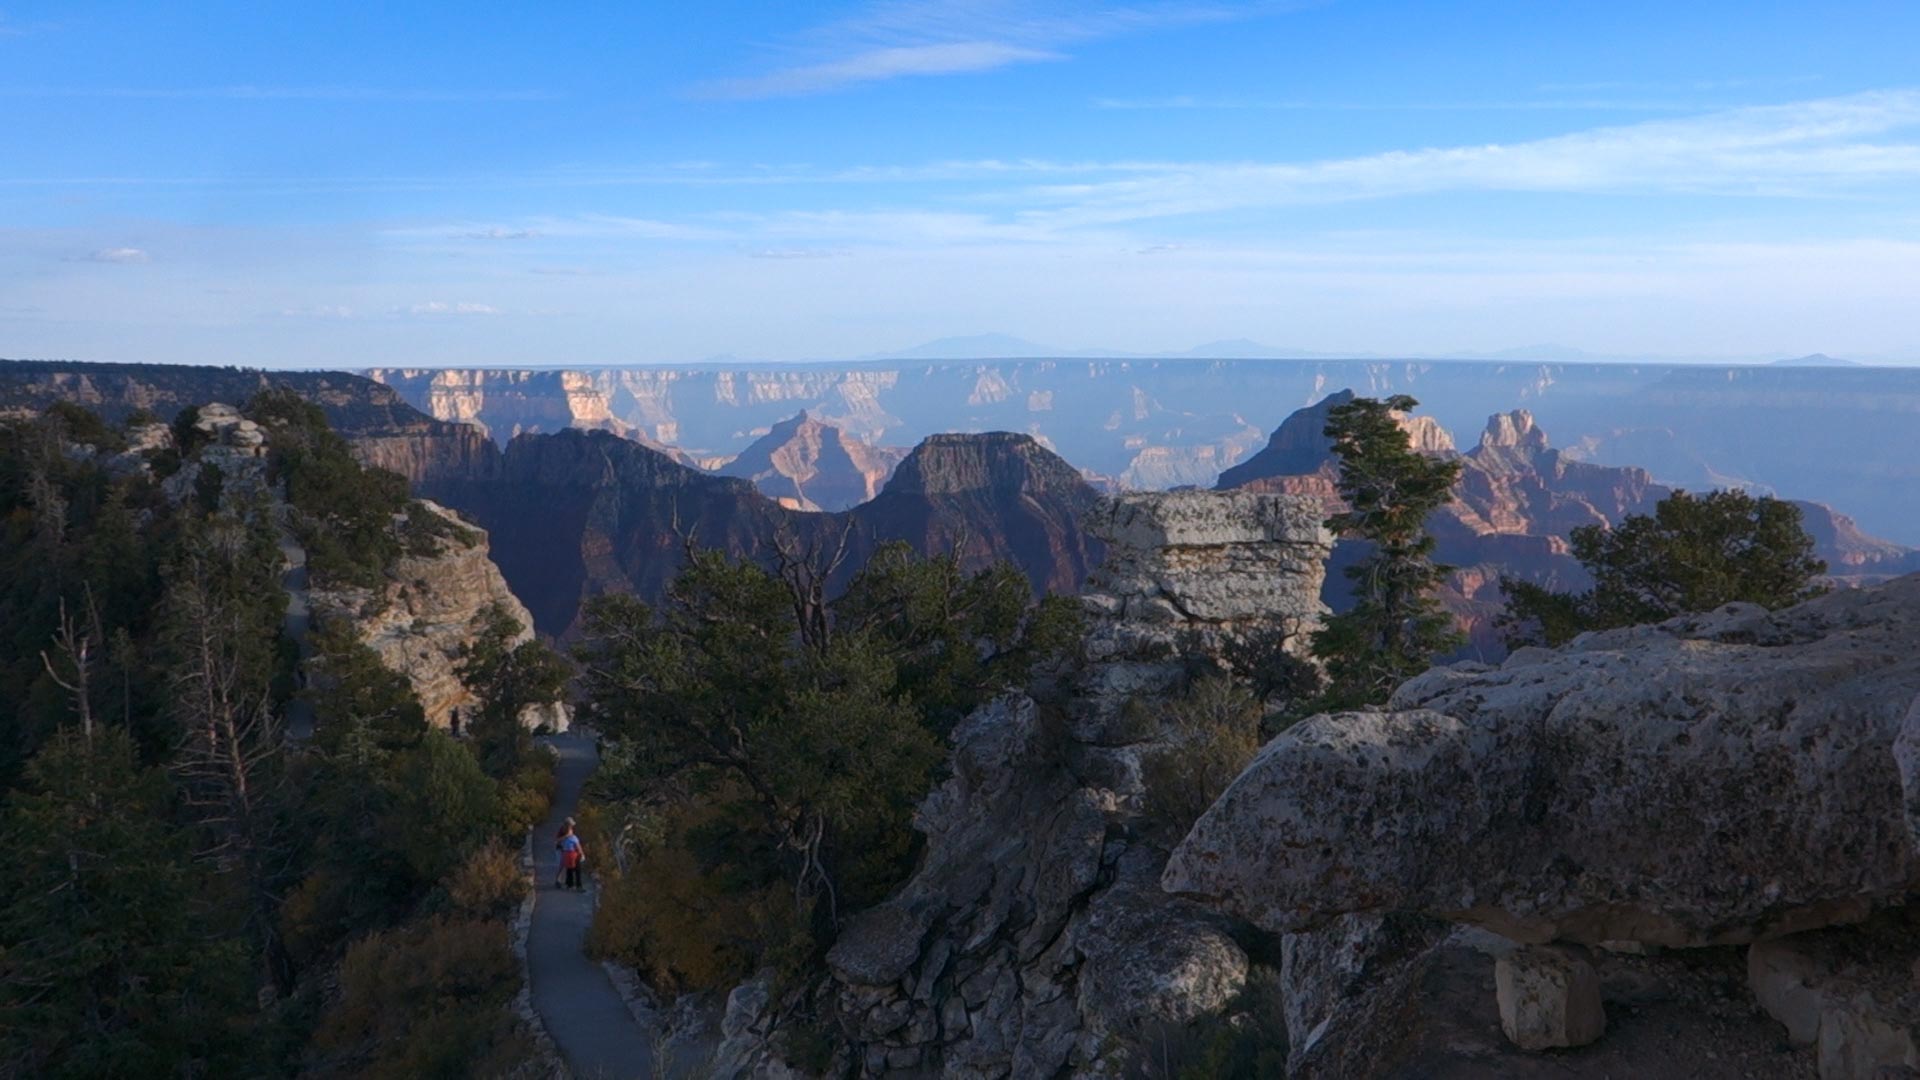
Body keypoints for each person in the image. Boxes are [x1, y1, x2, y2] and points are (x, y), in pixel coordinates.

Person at [559, 825, 586, 892]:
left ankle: (569, 885)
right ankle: (578, 886)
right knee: (577, 870)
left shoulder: (563, 839)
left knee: (569, 870)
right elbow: (578, 846)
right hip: (573, 854)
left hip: (566, 854)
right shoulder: (573, 838)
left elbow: (560, 844)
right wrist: (582, 854)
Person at [553, 818, 575, 889]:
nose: (571, 826)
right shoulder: (562, 830)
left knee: (566, 866)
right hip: (560, 849)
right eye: (570, 825)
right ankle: (557, 881)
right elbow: (557, 840)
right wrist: (566, 836)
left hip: (567, 850)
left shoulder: (571, 830)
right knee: (560, 865)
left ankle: (563, 881)